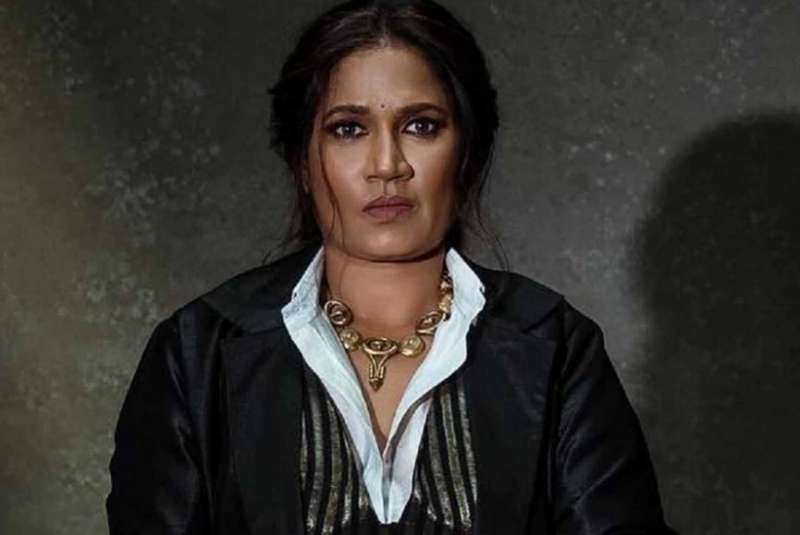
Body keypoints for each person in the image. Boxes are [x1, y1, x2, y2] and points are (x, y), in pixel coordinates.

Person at [106, 1, 678, 533]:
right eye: (348, 129)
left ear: (468, 151)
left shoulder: (557, 347)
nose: (387, 165)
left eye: (421, 125)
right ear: (302, 159)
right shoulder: (195, 352)